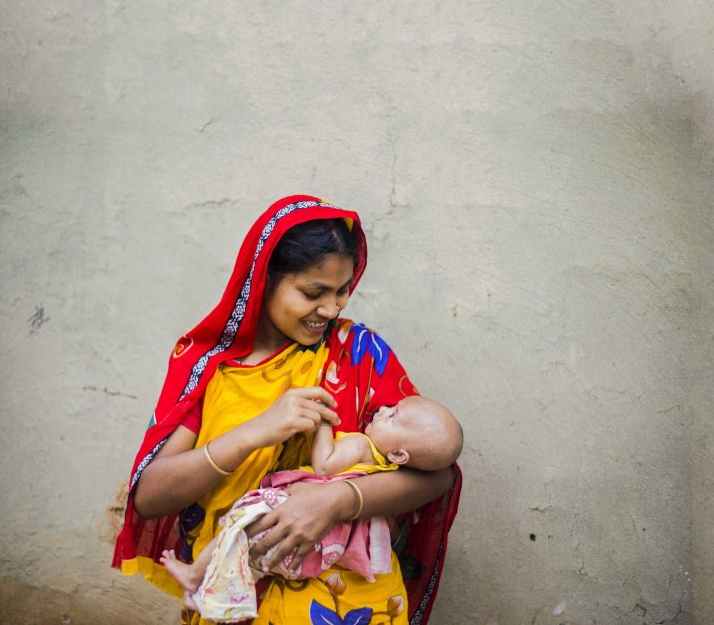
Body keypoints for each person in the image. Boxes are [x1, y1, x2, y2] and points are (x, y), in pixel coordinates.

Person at [112, 196, 463, 625]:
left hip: (347, 606)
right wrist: (255, 431)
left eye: (342, 291)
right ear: (264, 279)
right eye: (313, 292)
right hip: (235, 603)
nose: (332, 309)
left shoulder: (357, 353)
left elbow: (436, 471)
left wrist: (336, 499)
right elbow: (150, 496)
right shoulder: (211, 369)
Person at [158, 396, 464, 623]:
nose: (382, 410)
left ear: (399, 453)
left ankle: (196, 575)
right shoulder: (386, 468)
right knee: (257, 560)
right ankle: (217, 596)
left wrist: (323, 425)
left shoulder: (360, 445)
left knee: (239, 527)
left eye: (392, 416)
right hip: (332, 542)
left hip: (299, 511)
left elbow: (324, 465)